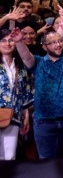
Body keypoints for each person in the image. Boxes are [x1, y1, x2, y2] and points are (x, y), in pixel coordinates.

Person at [15, 15, 63, 159]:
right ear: (44, 47)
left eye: (59, 41)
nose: (58, 45)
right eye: (52, 43)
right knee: (46, 160)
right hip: (44, 120)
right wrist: (19, 42)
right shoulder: (38, 62)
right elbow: (26, 57)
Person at [0, 29, 33, 160]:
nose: (7, 43)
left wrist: (26, 116)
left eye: (10, 40)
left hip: (14, 115)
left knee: (9, 156)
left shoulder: (21, 65)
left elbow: (26, 91)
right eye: (3, 40)